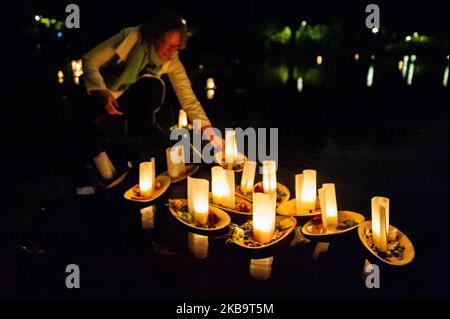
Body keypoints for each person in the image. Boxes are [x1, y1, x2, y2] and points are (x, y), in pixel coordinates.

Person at [81, 12, 223, 160]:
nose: (171, 51)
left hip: (130, 98)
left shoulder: (172, 60)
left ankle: (141, 140)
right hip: (103, 92)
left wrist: (210, 134)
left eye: (175, 47)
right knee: (90, 134)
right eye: (167, 44)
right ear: (154, 36)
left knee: (153, 86)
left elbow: (188, 100)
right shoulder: (132, 37)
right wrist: (101, 90)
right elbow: (90, 59)